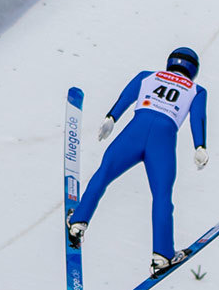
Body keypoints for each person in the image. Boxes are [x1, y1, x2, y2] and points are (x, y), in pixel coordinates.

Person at [67, 47, 208, 277]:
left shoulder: (148, 76)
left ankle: (79, 221)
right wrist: (200, 146)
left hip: (134, 131)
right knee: (162, 196)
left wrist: (111, 118)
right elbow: (198, 117)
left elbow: (126, 95)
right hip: (162, 141)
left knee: (103, 174)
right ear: (193, 71)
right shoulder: (196, 90)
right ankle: (162, 254)